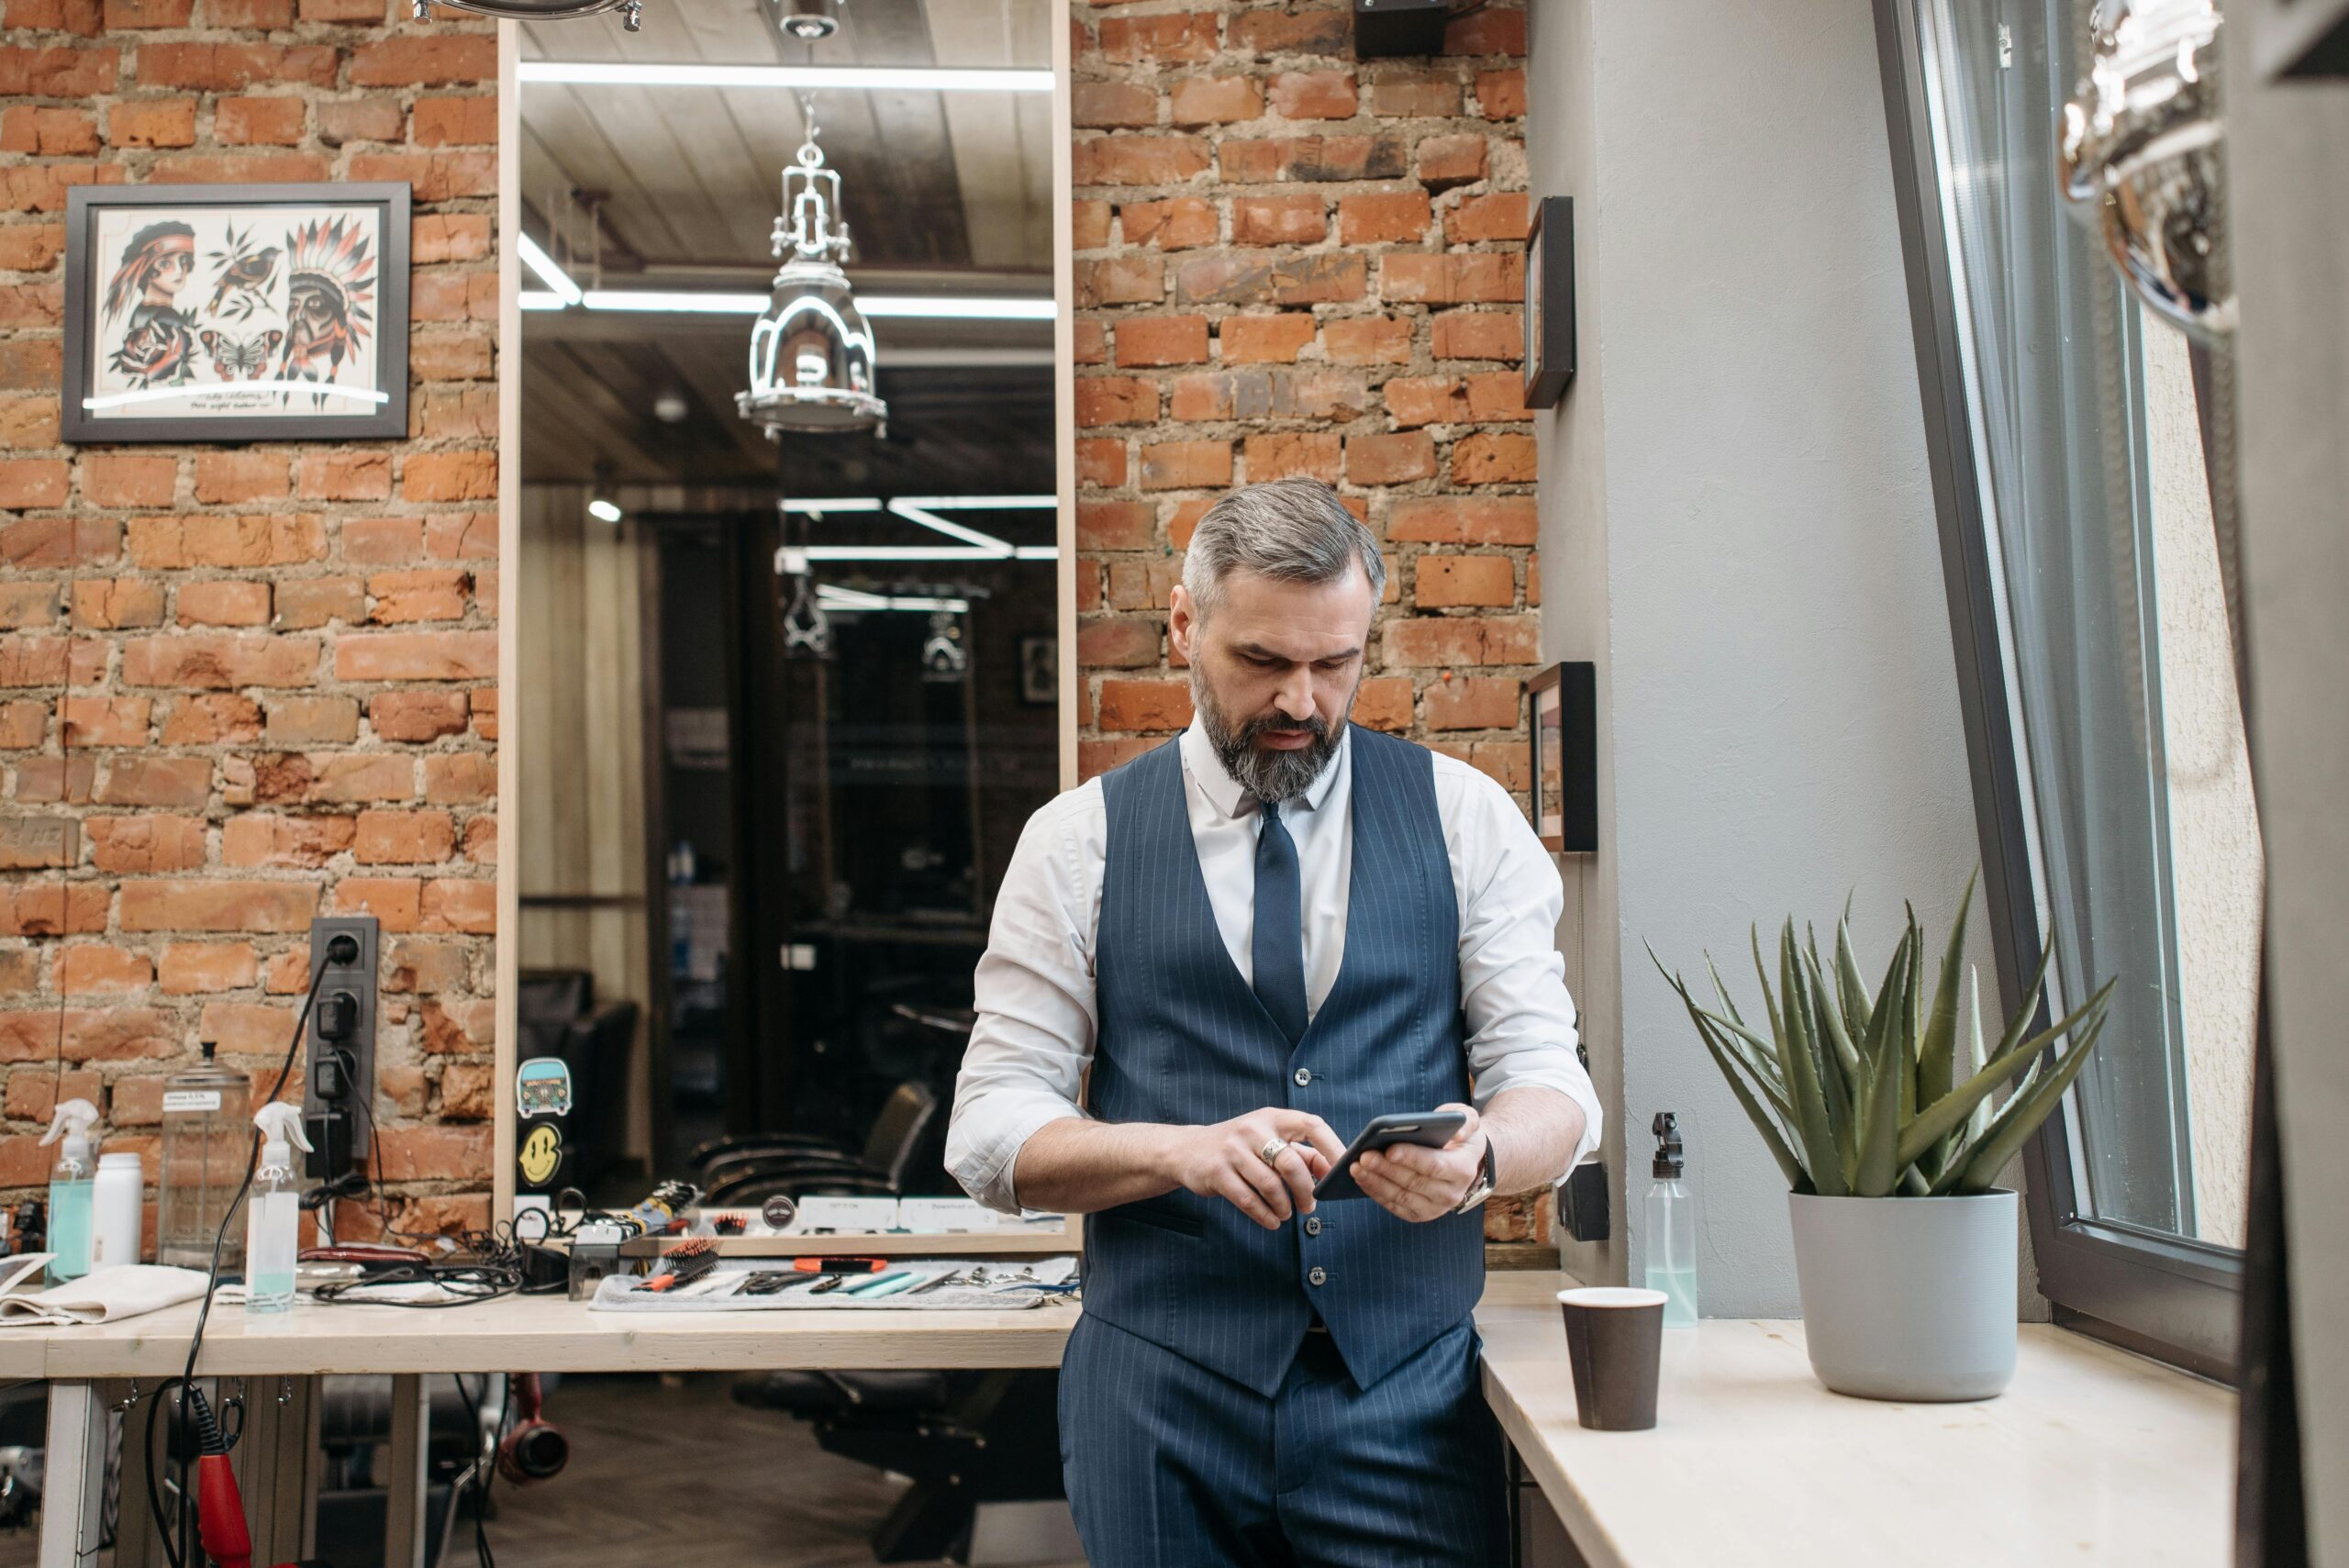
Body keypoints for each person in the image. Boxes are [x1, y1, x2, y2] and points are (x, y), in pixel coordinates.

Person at [948, 478, 1602, 1566]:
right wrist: (1177, 1151)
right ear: (1183, 627)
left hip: (1409, 1395)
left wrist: (1483, 1154)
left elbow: (1554, 1085)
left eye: (1334, 663)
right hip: (1157, 1397)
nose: (1301, 699)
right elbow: (990, 1129)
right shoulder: (1076, 844)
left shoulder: (1462, 817)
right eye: (1261, 662)